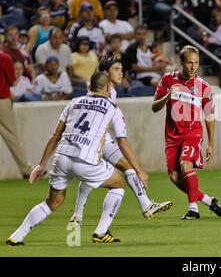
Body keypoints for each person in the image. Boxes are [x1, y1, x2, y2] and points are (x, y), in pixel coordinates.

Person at [5, 72, 131, 245]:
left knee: (53, 201)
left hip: (62, 157)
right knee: (118, 184)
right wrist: (135, 168)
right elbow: (121, 141)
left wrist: (42, 165)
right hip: (85, 160)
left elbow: (55, 136)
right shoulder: (112, 108)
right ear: (108, 89)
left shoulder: (74, 103)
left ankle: (16, 236)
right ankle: (101, 232)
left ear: (89, 88)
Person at [69, 56, 173, 226]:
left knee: (127, 167)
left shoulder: (113, 91)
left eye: (121, 69)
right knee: (93, 175)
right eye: (116, 69)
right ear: (104, 73)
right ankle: (78, 216)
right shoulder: (100, 90)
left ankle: (146, 205)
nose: (121, 72)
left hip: (104, 140)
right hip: (92, 141)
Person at [152, 45, 221, 220]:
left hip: (193, 133)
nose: (193, 67)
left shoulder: (203, 86)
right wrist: (167, 97)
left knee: (186, 164)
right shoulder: (167, 80)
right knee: (174, 176)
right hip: (172, 135)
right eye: (189, 63)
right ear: (181, 62)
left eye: (196, 63)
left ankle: (193, 209)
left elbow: (209, 115)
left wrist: (210, 144)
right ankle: (208, 200)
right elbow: (154, 107)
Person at [0, 52, 32, 178]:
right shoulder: (5, 58)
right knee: (12, 137)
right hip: (2, 101)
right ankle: (26, 169)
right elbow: (13, 82)